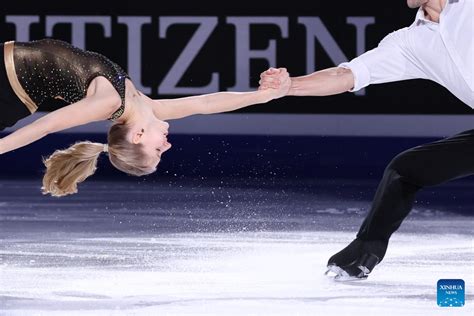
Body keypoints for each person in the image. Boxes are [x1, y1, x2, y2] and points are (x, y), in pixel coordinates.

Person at [259, 0, 473, 280]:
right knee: (406, 170)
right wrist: (291, 86)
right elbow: (346, 75)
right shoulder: (409, 42)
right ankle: (362, 253)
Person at [0, 38, 291, 197]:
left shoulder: (108, 103)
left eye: (156, 151)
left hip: (8, 86)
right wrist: (261, 96)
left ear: (137, 136)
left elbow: (46, 125)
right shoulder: (144, 105)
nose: (167, 147)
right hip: (12, 79)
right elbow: (205, 102)